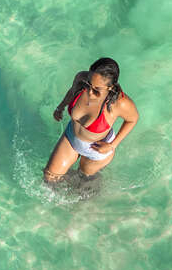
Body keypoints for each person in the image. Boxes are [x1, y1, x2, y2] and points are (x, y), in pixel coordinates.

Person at [43, 57, 139, 185]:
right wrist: (60, 107)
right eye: (88, 84)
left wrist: (112, 145)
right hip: (72, 137)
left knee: (82, 185)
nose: (89, 92)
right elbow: (72, 91)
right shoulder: (81, 78)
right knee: (49, 178)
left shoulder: (120, 103)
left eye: (96, 90)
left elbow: (133, 119)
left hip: (96, 151)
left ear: (110, 87)